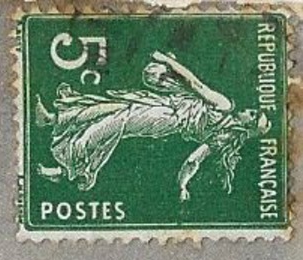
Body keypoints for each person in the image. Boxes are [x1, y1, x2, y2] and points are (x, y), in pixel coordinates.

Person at [36, 50, 269, 201]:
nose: (250, 111)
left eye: (254, 115)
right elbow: (193, 161)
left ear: (248, 127)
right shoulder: (222, 139)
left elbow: (195, 84)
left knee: (117, 120)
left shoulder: (225, 106)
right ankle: (54, 120)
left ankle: (66, 168)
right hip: (166, 105)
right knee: (113, 106)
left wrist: (167, 61)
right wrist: (183, 186)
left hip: (167, 116)